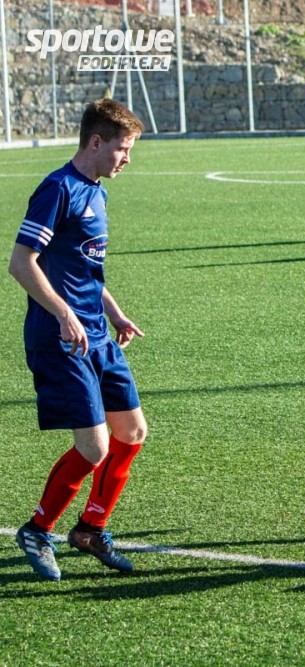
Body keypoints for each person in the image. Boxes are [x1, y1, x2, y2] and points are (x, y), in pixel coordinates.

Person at [10, 98, 147, 582]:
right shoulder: (58, 189)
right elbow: (21, 263)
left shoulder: (97, 192)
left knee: (131, 432)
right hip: (61, 338)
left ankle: (90, 529)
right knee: (94, 448)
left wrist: (115, 312)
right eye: (123, 149)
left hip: (97, 334)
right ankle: (38, 529)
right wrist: (65, 314)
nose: (127, 158)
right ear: (96, 141)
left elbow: (82, 268)